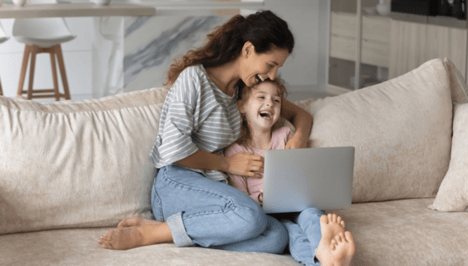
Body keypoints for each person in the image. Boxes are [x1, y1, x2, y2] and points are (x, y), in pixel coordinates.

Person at [98, 10, 313, 252]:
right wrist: (229, 165)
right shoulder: (194, 80)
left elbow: (301, 115)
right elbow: (175, 151)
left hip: (216, 192)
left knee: (276, 237)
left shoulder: (245, 91)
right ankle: (151, 233)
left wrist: (299, 138)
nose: (272, 75)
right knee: (250, 215)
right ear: (248, 50)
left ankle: (179, 230)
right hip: (177, 182)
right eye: (271, 64)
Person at [225, 78, 356, 266]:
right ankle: (326, 262)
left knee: (312, 216)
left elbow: (303, 171)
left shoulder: (286, 135)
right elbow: (241, 199)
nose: (269, 103)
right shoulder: (237, 152)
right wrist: (263, 198)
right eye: (261, 97)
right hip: (267, 214)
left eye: (276, 100)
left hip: (297, 204)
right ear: (242, 106)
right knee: (292, 234)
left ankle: (325, 247)